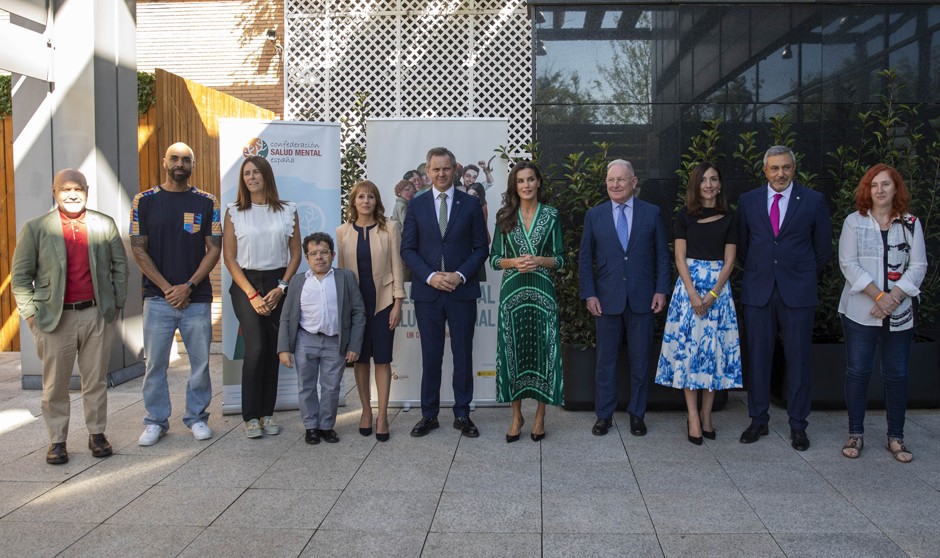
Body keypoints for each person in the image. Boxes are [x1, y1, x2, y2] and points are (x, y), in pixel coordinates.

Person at [11, 169, 128, 465]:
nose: (72, 194)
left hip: (96, 314)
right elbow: (21, 277)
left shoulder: (104, 224)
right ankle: (57, 440)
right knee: (55, 384)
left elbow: (120, 267)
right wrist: (30, 315)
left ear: (87, 191)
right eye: (65, 189)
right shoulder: (36, 228)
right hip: (54, 319)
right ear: (54, 192)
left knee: (96, 380)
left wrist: (116, 305)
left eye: (78, 189)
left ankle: (97, 434)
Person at [737, 145, 832, 451]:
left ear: (794, 169)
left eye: (786, 167)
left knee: (798, 359)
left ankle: (798, 425)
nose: (780, 174)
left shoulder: (813, 200)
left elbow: (822, 249)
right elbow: (742, 247)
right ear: (765, 170)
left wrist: (798, 272)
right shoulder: (748, 201)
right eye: (775, 168)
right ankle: (758, 420)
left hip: (798, 292)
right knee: (758, 357)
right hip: (759, 290)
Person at [130, 142, 222, 446]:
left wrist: (189, 286)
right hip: (157, 299)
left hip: (196, 299)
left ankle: (197, 417)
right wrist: (167, 288)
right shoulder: (144, 201)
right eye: (174, 158)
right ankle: (156, 421)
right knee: (155, 364)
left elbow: (214, 248)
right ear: (164, 162)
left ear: (192, 164)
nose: (179, 164)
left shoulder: (207, 202)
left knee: (200, 363)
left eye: (186, 159)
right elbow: (138, 248)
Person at [837, 164, 926, 462]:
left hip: (899, 312)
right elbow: (848, 264)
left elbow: (918, 266)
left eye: (886, 184)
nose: (879, 190)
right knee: (858, 371)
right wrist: (879, 296)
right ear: (867, 190)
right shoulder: (854, 222)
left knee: (897, 374)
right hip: (860, 312)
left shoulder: (911, 223)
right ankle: (855, 434)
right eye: (874, 185)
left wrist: (894, 298)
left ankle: (896, 438)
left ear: (895, 188)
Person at [400, 147, 489, 438]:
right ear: (428, 171)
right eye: (436, 169)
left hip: (461, 291)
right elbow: (407, 249)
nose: (441, 174)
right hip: (429, 293)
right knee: (431, 355)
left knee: (462, 354)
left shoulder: (470, 204)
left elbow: (481, 248)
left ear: (454, 170)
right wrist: (431, 277)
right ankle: (429, 415)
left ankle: (462, 414)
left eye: (446, 168)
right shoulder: (416, 205)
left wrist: (459, 275)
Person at [579, 159, 670, 437]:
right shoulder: (594, 215)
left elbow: (662, 255)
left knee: (640, 362)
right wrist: (589, 294)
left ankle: (637, 415)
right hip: (606, 300)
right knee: (605, 362)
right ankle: (603, 416)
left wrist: (661, 290)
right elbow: (585, 259)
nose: (615, 184)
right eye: (610, 180)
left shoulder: (651, 213)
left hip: (643, 298)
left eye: (621, 179)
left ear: (634, 181)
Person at [654, 163, 743, 445]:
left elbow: (730, 261)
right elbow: (679, 257)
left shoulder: (730, 217)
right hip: (688, 290)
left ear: (720, 184)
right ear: (696, 185)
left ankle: (707, 415)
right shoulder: (685, 216)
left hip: (718, 291)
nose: (709, 185)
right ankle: (692, 416)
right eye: (703, 180)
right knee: (689, 354)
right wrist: (692, 294)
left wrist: (714, 293)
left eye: (714, 179)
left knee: (713, 353)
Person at [222, 156, 301, 438]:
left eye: (256, 172)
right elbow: (229, 258)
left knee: (272, 350)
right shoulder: (234, 211)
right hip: (246, 284)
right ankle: (250, 416)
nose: (252, 177)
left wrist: (281, 288)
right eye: (247, 174)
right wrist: (252, 294)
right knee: (255, 349)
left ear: (266, 176)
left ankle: (267, 413)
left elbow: (296, 254)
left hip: (278, 284)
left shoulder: (288, 210)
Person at [489, 162, 564, 442]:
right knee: (514, 351)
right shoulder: (504, 216)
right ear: (514, 186)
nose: (526, 185)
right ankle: (516, 416)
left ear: (539, 182)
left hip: (543, 292)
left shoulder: (552, 215)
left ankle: (540, 417)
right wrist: (514, 262)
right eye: (520, 181)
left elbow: (561, 259)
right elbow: (494, 259)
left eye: (531, 179)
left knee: (544, 350)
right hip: (512, 294)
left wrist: (540, 260)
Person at [277, 233, 366, 445]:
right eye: (313, 253)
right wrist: (283, 348)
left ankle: (326, 426)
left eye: (324, 252)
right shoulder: (298, 281)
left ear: (332, 255)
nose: (319, 257)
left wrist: (354, 344)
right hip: (305, 340)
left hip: (335, 341)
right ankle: (311, 427)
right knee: (306, 386)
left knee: (331, 387)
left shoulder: (345, 278)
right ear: (307, 258)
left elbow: (358, 311)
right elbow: (286, 316)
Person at [336, 181, 406, 442]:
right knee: (361, 359)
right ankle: (366, 411)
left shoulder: (390, 228)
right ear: (354, 202)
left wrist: (398, 302)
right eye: (361, 197)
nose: (366, 201)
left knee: (383, 360)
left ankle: (382, 415)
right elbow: (341, 273)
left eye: (371, 197)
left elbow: (397, 266)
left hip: (384, 302)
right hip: (356, 306)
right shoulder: (342, 232)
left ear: (377, 201)